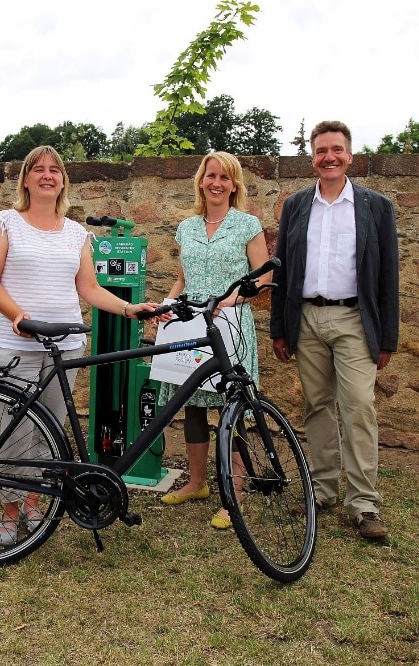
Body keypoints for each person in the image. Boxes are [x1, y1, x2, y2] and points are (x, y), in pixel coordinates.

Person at [0, 145, 163, 546]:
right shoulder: (4, 224)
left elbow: (89, 288)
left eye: (55, 171)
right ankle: (9, 512)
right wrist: (17, 315)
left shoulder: (77, 233)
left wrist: (131, 309)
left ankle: (34, 501)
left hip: (66, 346)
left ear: (63, 180)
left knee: (50, 431)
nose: (47, 175)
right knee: (15, 430)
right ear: (25, 179)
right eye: (39, 170)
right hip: (18, 344)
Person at [269, 120, 399, 539]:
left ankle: (363, 503)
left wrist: (387, 337)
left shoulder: (375, 206)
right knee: (317, 405)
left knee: (359, 405)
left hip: (353, 320)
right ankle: (322, 489)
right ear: (312, 158)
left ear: (350, 155)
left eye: (337, 150)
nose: (330, 157)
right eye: (322, 150)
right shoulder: (296, 206)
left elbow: (388, 278)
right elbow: (283, 271)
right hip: (306, 319)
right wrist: (279, 329)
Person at [157, 151, 270, 530]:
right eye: (210, 176)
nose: (216, 183)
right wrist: (168, 305)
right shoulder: (186, 228)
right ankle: (196, 482)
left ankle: (233, 494)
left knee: (232, 405)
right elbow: (182, 278)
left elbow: (262, 280)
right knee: (192, 403)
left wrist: (228, 301)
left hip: (231, 324)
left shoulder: (247, 225)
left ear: (234, 184)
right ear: (201, 181)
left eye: (224, 177)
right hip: (192, 324)